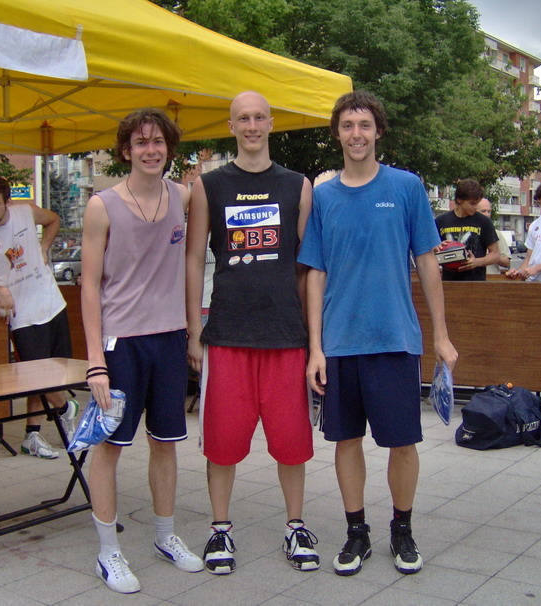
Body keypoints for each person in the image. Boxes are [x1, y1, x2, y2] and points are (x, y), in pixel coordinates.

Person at [299, 90, 458, 577]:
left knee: (402, 443)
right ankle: (356, 533)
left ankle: (402, 530)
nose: (356, 134)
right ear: (337, 134)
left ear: (378, 132)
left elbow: (427, 263)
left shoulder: (406, 187)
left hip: (394, 339)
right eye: (347, 126)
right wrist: (315, 348)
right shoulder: (324, 197)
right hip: (340, 343)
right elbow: (315, 273)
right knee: (346, 441)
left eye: (364, 125)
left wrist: (441, 336)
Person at [186, 91, 319, 575]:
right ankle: (220, 530)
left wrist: (315, 342)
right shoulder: (209, 185)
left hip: (286, 336)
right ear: (231, 126)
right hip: (227, 335)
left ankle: (295, 526)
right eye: (243, 118)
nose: (251, 125)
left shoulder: (298, 186)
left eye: (259, 117)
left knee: (292, 443)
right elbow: (192, 259)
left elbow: (309, 266)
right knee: (222, 444)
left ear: (271, 123)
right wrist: (193, 330)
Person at [81, 108, 203, 594]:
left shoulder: (183, 197)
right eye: (141, 142)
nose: (150, 150)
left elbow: (194, 261)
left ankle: (165, 536)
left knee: (165, 442)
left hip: (169, 337)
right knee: (109, 445)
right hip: (121, 343)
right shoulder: (102, 205)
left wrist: (193, 334)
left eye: (158, 142)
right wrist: (95, 361)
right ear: (126, 150)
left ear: (169, 149)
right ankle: (108, 551)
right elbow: (89, 285)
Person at [0, 175, 79, 460]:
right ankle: (66, 409)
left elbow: (53, 220)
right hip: (22, 316)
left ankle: (32, 434)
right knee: (36, 376)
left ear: (8, 201)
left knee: (56, 372)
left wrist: (44, 247)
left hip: (50, 301)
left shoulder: (25, 212)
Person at [435, 179, 500, 281]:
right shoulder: (441, 221)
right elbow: (429, 251)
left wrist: (477, 262)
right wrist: (437, 247)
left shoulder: (484, 221)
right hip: (448, 282)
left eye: (477, 203)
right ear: (459, 200)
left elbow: (495, 254)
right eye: (472, 203)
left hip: (476, 283)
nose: (476, 207)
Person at [477, 198, 511, 275]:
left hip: (492, 278)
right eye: (483, 211)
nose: (487, 214)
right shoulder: (466, 233)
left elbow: (507, 263)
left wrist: (492, 255)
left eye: (489, 211)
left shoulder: (496, 233)